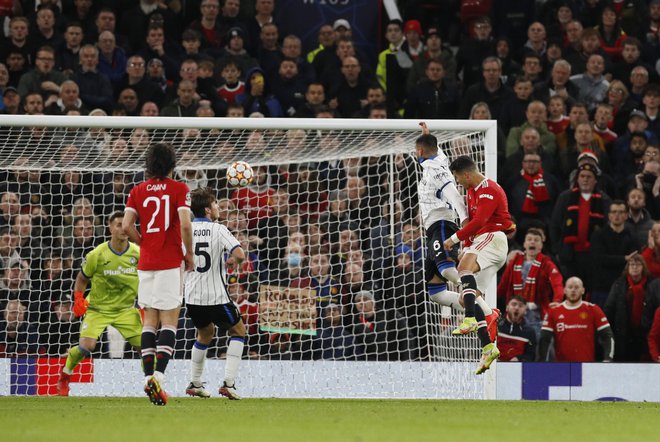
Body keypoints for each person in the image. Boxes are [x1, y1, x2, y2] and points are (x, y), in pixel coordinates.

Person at [122, 143, 194, 406]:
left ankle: (147, 378)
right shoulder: (179, 189)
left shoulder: (137, 191)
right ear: (173, 165)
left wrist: (143, 243)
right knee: (169, 322)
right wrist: (189, 254)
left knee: (149, 322)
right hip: (169, 260)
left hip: (146, 263)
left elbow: (126, 225)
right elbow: (185, 224)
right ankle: (159, 378)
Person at [415, 123, 500, 341]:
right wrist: (427, 136)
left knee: (447, 271)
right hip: (432, 229)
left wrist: (464, 232)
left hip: (442, 224)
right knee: (437, 293)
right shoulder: (437, 160)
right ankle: (476, 306)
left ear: (419, 152)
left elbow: (457, 201)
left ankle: (485, 311)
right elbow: (434, 153)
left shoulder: (438, 172)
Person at [56, 211, 141, 396]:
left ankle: (153, 382)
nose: (123, 228)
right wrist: (78, 298)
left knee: (146, 346)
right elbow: (81, 278)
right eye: (118, 224)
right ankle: (65, 374)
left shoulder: (138, 253)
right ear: (109, 227)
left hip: (125, 309)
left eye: (126, 224)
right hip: (98, 308)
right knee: (87, 346)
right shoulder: (97, 254)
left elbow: (147, 280)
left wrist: (144, 306)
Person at [444, 155, 515, 374]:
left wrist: (454, 239)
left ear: (466, 174)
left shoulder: (489, 189)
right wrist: (465, 246)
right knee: (469, 297)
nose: (458, 182)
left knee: (462, 269)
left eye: (458, 178)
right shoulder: (472, 191)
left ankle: (469, 320)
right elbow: (473, 225)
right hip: (484, 243)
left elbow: (480, 222)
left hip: (493, 239)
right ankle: (488, 346)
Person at [184, 187, 246, 400]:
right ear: (208, 210)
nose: (219, 207)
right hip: (216, 296)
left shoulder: (186, 229)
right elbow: (240, 253)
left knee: (205, 334)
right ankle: (228, 384)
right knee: (239, 331)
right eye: (216, 204)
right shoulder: (218, 229)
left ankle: (195, 383)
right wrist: (232, 260)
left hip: (192, 297)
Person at [497, 227, 563, 339]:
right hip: (515, 314)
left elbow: (557, 283)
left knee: (537, 348)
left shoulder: (547, 263)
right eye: (530, 239)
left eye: (536, 240)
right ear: (524, 244)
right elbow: (503, 285)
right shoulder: (515, 261)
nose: (532, 242)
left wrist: (557, 300)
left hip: (536, 316)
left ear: (541, 246)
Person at [539, 276, 614, 362]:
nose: (573, 290)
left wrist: (608, 359)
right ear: (564, 290)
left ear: (583, 290)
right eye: (570, 287)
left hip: (586, 367)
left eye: (576, 287)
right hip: (562, 367)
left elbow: (607, 336)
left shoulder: (593, 309)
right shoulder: (554, 312)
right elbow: (544, 339)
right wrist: (541, 362)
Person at [605, 254, 654, 362]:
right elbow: (610, 308)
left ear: (643, 267)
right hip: (623, 331)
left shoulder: (651, 285)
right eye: (631, 264)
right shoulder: (619, 284)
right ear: (627, 267)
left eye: (638, 264)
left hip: (644, 331)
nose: (634, 267)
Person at [497, 296, 537, 362]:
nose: (517, 308)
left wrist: (519, 358)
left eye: (520, 306)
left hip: (517, 368)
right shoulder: (496, 325)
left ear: (525, 311)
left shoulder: (529, 332)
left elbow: (531, 355)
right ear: (507, 308)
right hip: (493, 367)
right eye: (514, 304)